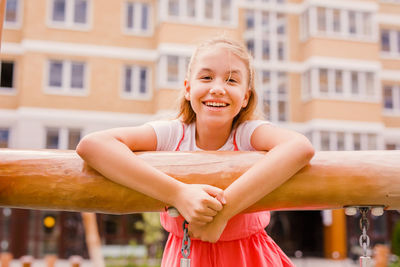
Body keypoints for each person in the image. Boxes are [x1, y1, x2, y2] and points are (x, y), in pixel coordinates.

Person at [76, 37, 315, 266]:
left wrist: (224, 212)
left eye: (231, 80)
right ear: (188, 89)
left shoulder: (246, 134)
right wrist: (178, 194)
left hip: (249, 256)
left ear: (245, 97)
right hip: (185, 255)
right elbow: (92, 145)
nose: (218, 88)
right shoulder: (173, 134)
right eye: (207, 77)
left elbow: (299, 146)